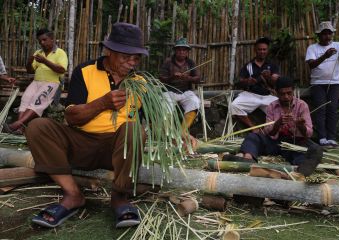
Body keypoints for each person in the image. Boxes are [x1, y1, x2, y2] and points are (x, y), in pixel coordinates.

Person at [25, 23, 149, 228]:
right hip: (81, 144)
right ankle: (73, 194)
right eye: (125, 56)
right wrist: (103, 103)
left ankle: (119, 196)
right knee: (37, 126)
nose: (131, 63)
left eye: (136, 57)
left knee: (134, 129)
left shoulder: (140, 83)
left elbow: (149, 122)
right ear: (108, 51)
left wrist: (177, 132)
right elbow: (71, 117)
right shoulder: (85, 71)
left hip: (118, 151)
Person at [226, 77, 323, 177]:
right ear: (276, 93)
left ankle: (302, 169)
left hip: (294, 143)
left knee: (308, 150)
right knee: (253, 137)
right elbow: (269, 132)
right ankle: (247, 159)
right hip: (276, 142)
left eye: (289, 93)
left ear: (293, 91)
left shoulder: (302, 106)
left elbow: (309, 133)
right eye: (282, 94)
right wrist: (278, 123)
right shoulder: (272, 106)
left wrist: (301, 126)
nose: (286, 97)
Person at [4, 29, 68, 134]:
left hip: (53, 82)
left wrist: (45, 61)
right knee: (25, 99)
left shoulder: (60, 53)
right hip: (36, 82)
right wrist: (29, 63)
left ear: (52, 39)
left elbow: (61, 69)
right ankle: (20, 129)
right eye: (40, 41)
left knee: (38, 100)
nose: (42, 43)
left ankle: (17, 124)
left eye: (44, 40)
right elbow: (30, 71)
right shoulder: (38, 53)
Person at [305, 21, 339, 148]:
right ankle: (322, 138)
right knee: (321, 109)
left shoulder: (337, 45)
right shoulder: (312, 48)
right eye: (324, 34)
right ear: (318, 35)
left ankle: (331, 138)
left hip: (334, 83)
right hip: (318, 83)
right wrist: (325, 56)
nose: (327, 36)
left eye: (329, 33)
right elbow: (311, 65)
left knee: (332, 110)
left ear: (332, 34)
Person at [231, 37, 280, 130]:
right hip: (251, 95)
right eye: (260, 49)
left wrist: (269, 77)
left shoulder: (272, 65)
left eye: (264, 49)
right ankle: (253, 128)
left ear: (267, 50)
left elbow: (275, 81)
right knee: (234, 106)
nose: (262, 52)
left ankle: (270, 131)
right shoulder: (248, 66)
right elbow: (239, 82)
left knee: (282, 109)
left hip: (267, 96)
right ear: (255, 50)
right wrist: (247, 81)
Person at [159, 37, 201, 131]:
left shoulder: (190, 63)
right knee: (165, 106)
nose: (182, 52)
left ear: (187, 52)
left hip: (185, 92)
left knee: (195, 102)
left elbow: (198, 79)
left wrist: (187, 77)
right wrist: (172, 77)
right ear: (175, 50)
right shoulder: (168, 62)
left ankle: (183, 132)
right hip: (169, 92)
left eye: (184, 50)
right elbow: (161, 79)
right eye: (179, 49)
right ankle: (169, 133)